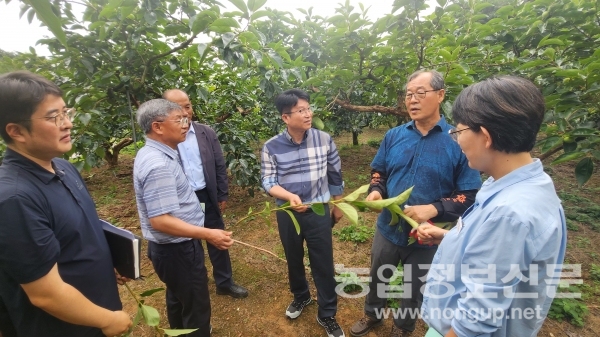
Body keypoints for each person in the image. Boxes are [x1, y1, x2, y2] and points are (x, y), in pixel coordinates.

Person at [419, 76, 567, 337]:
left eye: (459, 132)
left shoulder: (508, 214)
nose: (457, 140)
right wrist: (449, 236)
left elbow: (474, 319)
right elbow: (500, 254)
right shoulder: (528, 185)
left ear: (485, 136)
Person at [350, 70, 482, 337]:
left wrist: (434, 208)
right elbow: (380, 172)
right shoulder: (394, 136)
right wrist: (376, 190)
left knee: (415, 285)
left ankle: (403, 327)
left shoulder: (458, 139)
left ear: (440, 95)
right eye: (409, 94)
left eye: (420, 93)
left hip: (426, 235)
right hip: (388, 227)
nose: (412, 100)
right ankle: (373, 314)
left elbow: (468, 194)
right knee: (378, 275)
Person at [0, 71, 131, 337]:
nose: (68, 123)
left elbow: (78, 231)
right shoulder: (15, 199)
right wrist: (107, 320)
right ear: (16, 131)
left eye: (65, 112)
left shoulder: (63, 168)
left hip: (95, 308)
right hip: (68, 328)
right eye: (53, 117)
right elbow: (46, 295)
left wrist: (109, 261)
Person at [133, 99, 234, 336]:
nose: (186, 124)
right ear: (157, 127)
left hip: (170, 249)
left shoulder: (154, 153)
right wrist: (209, 233)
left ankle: (179, 330)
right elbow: (161, 220)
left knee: (179, 297)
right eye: (179, 119)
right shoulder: (158, 164)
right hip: (177, 250)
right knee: (197, 308)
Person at [260, 89, 345, 337]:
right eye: (301, 110)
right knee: (293, 257)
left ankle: (327, 313)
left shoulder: (324, 139)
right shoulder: (271, 147)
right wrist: (288, 196)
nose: (308, 114)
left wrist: (338, 205)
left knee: (323, 261)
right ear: (286, 117)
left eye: (308, 108)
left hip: (318, 210)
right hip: (287, 212)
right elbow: (268, 181)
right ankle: (301, 296)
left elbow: (335, 175)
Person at [163, 89, 248, 299]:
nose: (184, 112)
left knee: (217, 238)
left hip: (206, 196)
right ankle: (194, 284)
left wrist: (222, 194)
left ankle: (224, 282)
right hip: (181, 201)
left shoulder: (205, 133)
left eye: (188, 106)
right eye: (177, 108)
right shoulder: (165, 137)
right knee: (188, 243)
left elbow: (219, 164)